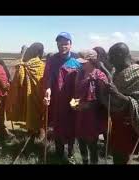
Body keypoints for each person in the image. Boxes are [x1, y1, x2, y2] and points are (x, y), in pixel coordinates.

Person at [100, 42, 139, 164]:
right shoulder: (117, 72)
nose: (110, 60)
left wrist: (117, 94)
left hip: (129, 123)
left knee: (122, 156)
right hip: (117, 122)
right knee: (117, 154)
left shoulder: (138, 73)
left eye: (112, 56)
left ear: (121, 55)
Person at [43, 32, 81, 164]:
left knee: (73, 125)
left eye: (65, 43)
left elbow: (82, 79)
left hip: (74, 99)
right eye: (60, 44)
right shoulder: (52, 60)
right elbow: (48, 78)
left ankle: (70, 152)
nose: (62, 46)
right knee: (58, 126)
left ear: (70, 44)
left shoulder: (77, 60)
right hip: (58, 100)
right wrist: (47, 90)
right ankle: (59, 153)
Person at [72, 50, 108, 164]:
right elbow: (76, 93)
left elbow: (103, 99)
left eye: (84, 62)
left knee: (92, 144)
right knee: (81, 140)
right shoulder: (80, 74)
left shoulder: (100, 76)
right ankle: (85, 161)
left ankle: (93, 162)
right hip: (80, 114)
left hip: (93, 116)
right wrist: (73, 103)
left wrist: (87, 105)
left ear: (92, 61)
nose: (81, 64)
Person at [5, 42, 46, 144]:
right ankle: (39, 134)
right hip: (40, 96)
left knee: (30, 112)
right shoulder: (42, 66)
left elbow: (20, 80)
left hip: (28, 95)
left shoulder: (24, 65)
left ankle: (32, 133)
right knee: (40, 113)